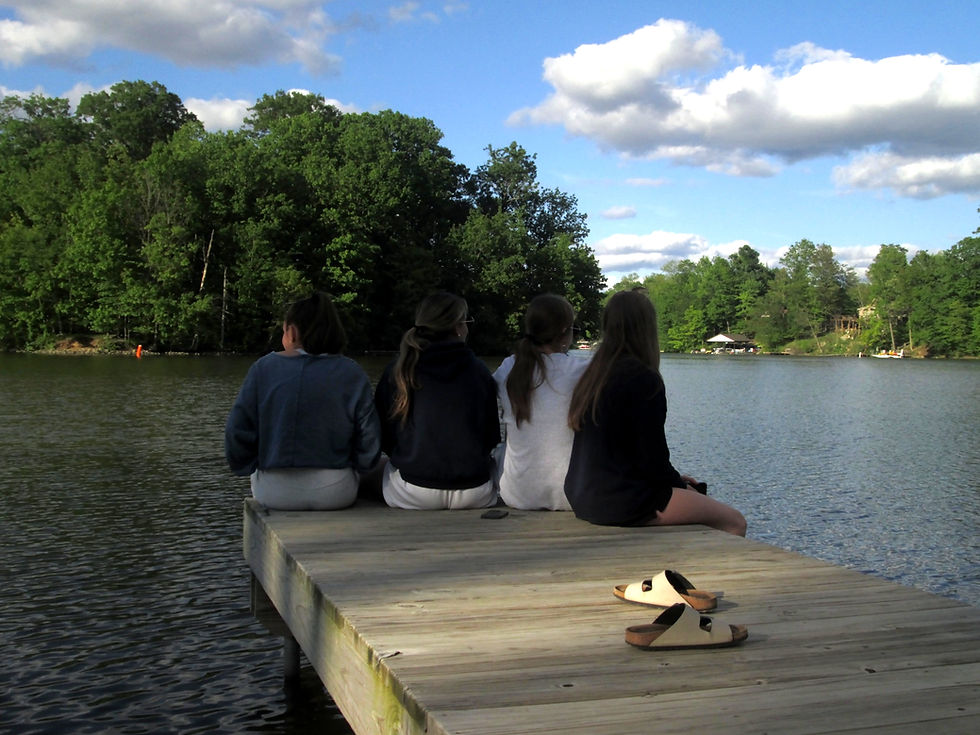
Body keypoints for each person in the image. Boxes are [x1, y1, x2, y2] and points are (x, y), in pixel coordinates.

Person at [564, 289, 746, 535]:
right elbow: (653, 459)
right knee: (734, 521)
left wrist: (678, 483)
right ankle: (707, 573)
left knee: (689, 496)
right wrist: (680, 486)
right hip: (622, 501)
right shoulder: (643, 378)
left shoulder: (593, 375)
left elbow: (627, 456)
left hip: (583, 496)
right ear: (646, 328)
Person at [225, 292, 381, 510]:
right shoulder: (351, 372)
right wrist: (361, 466)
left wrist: (246, 465)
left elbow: (236, 431)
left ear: (292, 332)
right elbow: (370, 437)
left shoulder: (263, 369)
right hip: (335, 492)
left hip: (273, 491)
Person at [374, 291, 500, 509]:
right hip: (475, 493)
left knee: (372, 469)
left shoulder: (398, 369)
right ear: (458, 327)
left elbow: (383, 436)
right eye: (467, 321)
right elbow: (491, 438)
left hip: (414, 492)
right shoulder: (479, 371)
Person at [492, 294, 589, 510]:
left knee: (501, 450)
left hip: (517, 495)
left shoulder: (508, 368)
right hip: (574, 495)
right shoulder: (583, 371)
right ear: (565, 330)